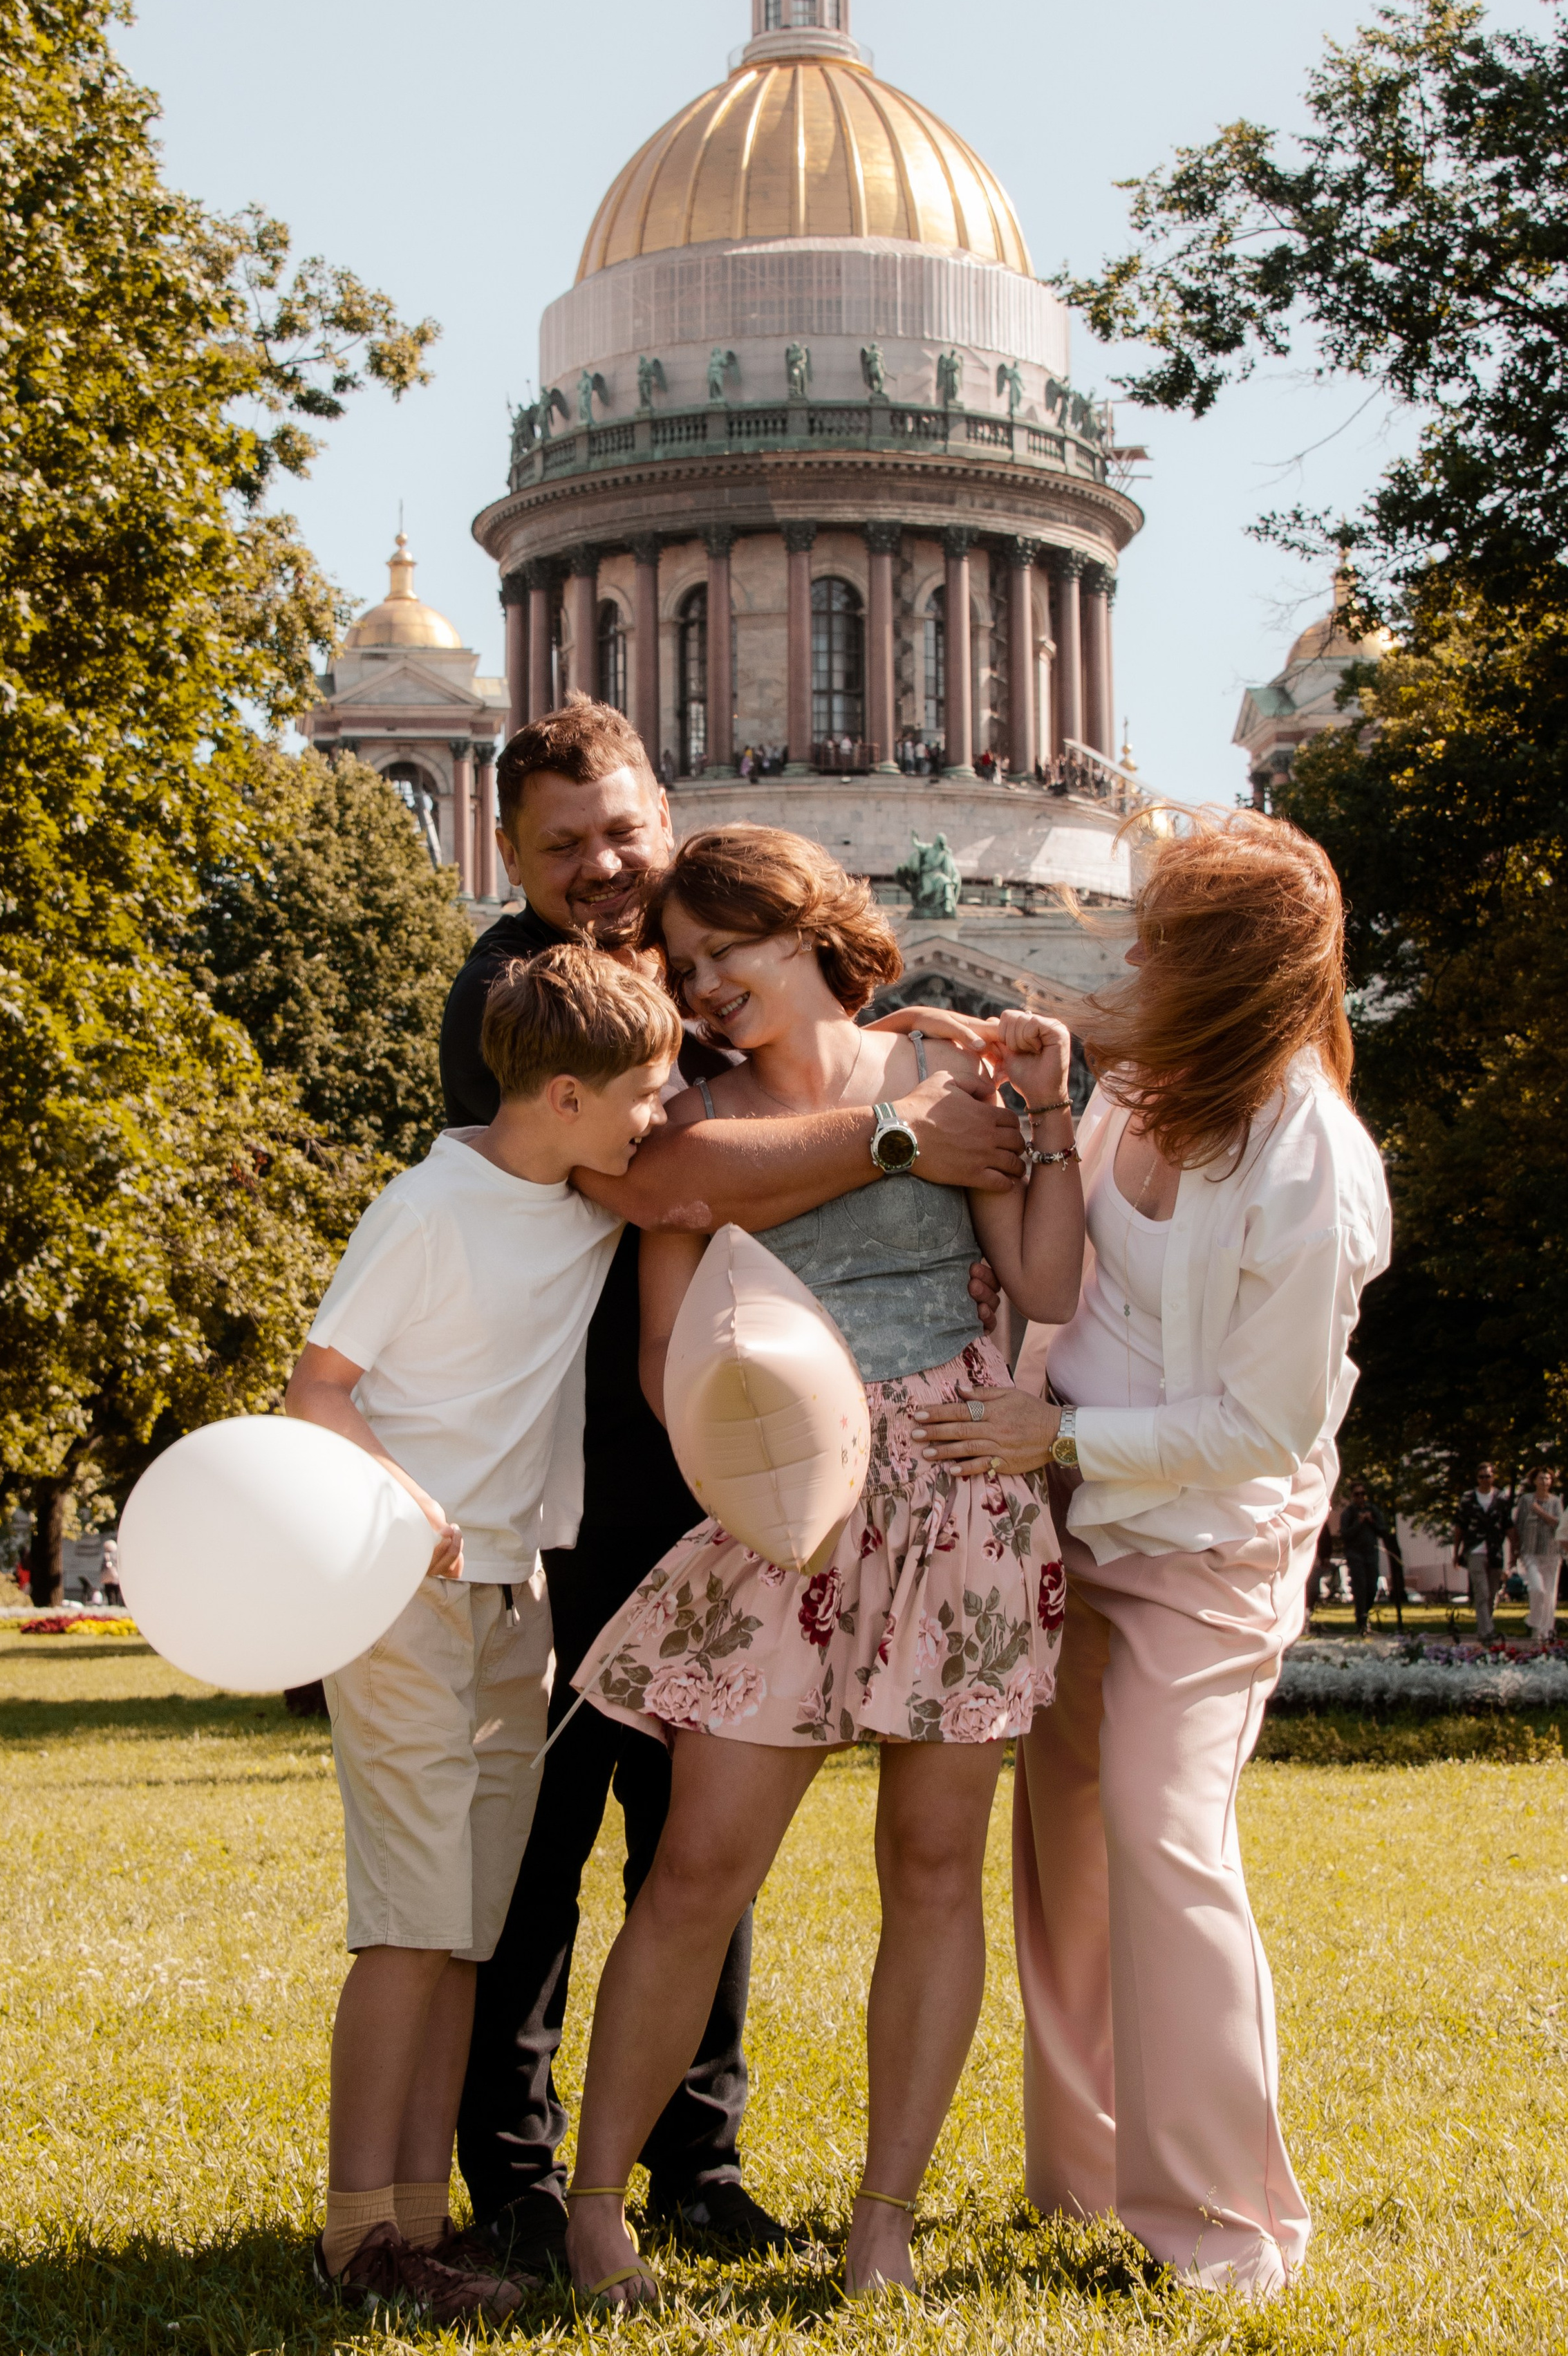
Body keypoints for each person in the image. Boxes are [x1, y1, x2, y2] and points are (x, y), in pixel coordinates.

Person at [444, 704, 1025, 2276]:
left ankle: (738, 2176)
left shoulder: (874, 1038)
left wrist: (1016, 1110)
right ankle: (536, 2184)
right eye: (562, 845)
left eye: (622, 832)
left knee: (795, 1857)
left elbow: (1034, 1262)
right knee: (607, 1844)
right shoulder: (541, 1001)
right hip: (672, 1488)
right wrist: (908, 1132)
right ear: (509, 853)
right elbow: (661, 1184)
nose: (605, 870)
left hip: (864, 1499)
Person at [563, 827, 1084, 2304]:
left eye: (730, 953)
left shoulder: (948, 1076)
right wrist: (777, 1455)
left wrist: (1042, 1113)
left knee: (932, 1872)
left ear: (809, 929)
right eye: (686, 969)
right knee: (695, 1872)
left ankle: (881, 2230)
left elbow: (1041, 1285)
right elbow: (667, 1358)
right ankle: (598, 2211)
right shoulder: (693, 1126)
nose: (708, 987)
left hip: (962, 1501)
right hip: (781, 1512)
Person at [918, 812, 1390, 2298]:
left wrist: (1051, 1443)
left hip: (1205, 1540)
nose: (1132, 955)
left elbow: (1264, 1425)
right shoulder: (1138, 1086)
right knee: (1061, 1846)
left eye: (1167, 939)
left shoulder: (1310, 1158)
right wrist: (1051, 1109)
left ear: (1238, 967)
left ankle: (1223, 2229)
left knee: (1159, 1831)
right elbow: (1079, 1277)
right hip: (1061, 1507)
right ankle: (1077, 2182)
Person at [284, 945, 680, 2324]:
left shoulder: (577, 1198)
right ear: (562, 1095)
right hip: (398, 1591)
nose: (656, 1117)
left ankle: (415, 2224)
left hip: (518, 1601)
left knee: (466, 1927)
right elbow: (315, 1390)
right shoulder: (429, 1209)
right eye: (640, 1093)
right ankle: (355, 2242)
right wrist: (412, 1506)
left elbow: (694, 1177)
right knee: (407, 1925)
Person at [1454, 1467, 1510, 1643]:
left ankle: (1485, 1626)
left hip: (1495, 1552)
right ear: (1477, 1478)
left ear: (1493, 1477)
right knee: (1482, 1592)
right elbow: (1459, 1526)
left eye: (1488, 1476)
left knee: (1492, 1594)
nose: (1485, 1479)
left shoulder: (1501, 1498)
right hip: (1474, 1550)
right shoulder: (1468, 1499)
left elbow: (1508, 1525)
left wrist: (1515, 1551)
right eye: (1482, 1476)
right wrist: (1456, 1552)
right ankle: (1487, 1632)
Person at [1511, 1468, 1563, 1645]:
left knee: (1550, 1596)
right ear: (1534, 1481)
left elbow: (1559, 1524)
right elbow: (1517, 1527)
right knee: (1537, 1589)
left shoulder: (1556, 1501)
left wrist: (1540, 1512)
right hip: (1530, 1552)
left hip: (1551, 1554)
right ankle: (1534, 1622)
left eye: (1548, 1479)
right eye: (1541, 1479)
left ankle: (1546, 1632)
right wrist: (1514, 1553)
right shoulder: (1525, 1500)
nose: (1545, 1482)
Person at [1336, 1481, 1390, 1633]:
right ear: (1352, 1496)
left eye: (1363, 1494)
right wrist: (1358, 1523)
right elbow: (1345, 1535)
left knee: (1372, 1586)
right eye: (1357, 1494)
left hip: (1371, 1553)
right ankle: (1362, 1620)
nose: (1360, 1497)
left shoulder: (1372, 1510)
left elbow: (1383, 1530)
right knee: (1360, 1587)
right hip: (1355, 1554)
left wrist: (1371, 1521)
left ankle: (1365, 1612)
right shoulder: (1349, 1513)